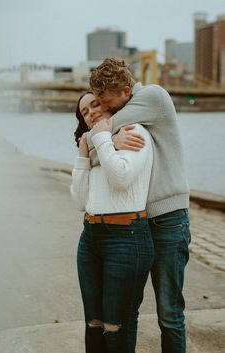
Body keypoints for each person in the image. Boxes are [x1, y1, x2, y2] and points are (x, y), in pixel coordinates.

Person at [87, 58, 191, 353]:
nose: (102, 108)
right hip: (140, 224)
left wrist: (102, 139)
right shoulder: (130, 108)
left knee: (169, 314)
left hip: (170, 220)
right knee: (129, 309)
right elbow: (97, 148)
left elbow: (98, 136)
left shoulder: (152, 96)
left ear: (125, 89)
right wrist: (103, 142)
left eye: (104, 100)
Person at [70, 91, 154, 353]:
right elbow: (80, 200)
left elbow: (120, 176)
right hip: (90, 238)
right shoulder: (98, 146)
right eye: (85, 112)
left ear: (107, 103)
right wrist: (84, 153)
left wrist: (105, 138)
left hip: (126, 240)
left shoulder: (133, 131)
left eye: (95, 104)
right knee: (93, 324)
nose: (91, 112)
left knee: (115, 327)